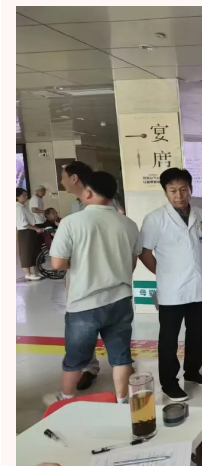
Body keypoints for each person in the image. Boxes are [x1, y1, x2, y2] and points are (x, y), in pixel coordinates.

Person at [48, 172, 142, 404]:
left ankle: (66, 399)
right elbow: (131, 263)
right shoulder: (128, 224)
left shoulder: (72, 222)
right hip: (120, 299)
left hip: (84, 303)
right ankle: (122, 401)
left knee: (75, 359)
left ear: (88, 193)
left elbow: (58, 264)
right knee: (121, 357)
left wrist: (83, 262)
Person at [140, 168, 202, 402]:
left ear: (190, 189)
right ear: (165, 192)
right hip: (171, 290)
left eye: (183, 189)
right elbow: (144, 252)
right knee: (169, 338)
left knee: (196, 333)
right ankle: (169, 383)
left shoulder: (201, 215)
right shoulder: (155, 218)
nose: (179, 195)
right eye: (173, 190)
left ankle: (192, 371)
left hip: (197, 286)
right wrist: (163, 273)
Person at [60, 161, 125, 389]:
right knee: (84, 329)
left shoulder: (106, 201)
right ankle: (90, 367)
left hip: (106, 281)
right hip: (80, 278)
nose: (61, 181)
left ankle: (113, 368)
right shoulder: (74, 208)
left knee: (106, 327)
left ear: (75, 179)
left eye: (63, 177)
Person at [16, 188, 45, 281]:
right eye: (23, 195)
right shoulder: (18, 208)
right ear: (17, 197)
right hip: (24, 232)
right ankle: (27, 274)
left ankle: (34, 272)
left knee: (33, 251)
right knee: (26, 253)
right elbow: (23, 223)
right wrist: (37, 228)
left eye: (26, 195)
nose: (26, 197)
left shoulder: (23, 206)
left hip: (29, 231)